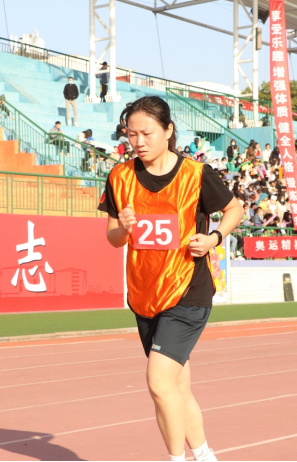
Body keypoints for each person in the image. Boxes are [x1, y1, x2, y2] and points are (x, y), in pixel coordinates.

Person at [97, 96, 242, 462]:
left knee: (159, 382)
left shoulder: (196, 174)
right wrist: (124, 228)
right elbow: (113, 238)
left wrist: (213, 238)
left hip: (188, 289)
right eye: (131, 134)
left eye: (146, 133)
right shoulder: (119, 177)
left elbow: (234, 209)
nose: (138, 141)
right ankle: (205, 456)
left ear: (168, 130)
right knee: (177, 386)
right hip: (145, 292)